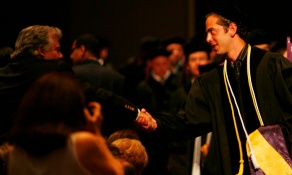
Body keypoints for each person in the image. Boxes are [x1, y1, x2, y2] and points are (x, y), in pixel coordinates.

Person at [135, 2, 292, 175]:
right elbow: (188, 122)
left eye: (212, 31)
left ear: (231, 29)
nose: (208, 39)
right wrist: (156, 122)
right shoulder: (212, 82)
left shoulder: (271, 66)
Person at [0, 25, 154, 144]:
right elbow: (93, 93)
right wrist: (136, 113)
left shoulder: (3, 73)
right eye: (57, 50)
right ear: (41, 50)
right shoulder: (53, 69)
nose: (61, 55)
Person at [7, 71, 124, 175]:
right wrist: (96, 133)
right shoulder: (81, 144)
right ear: (73, 107)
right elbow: (118, 172)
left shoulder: (15, 153)